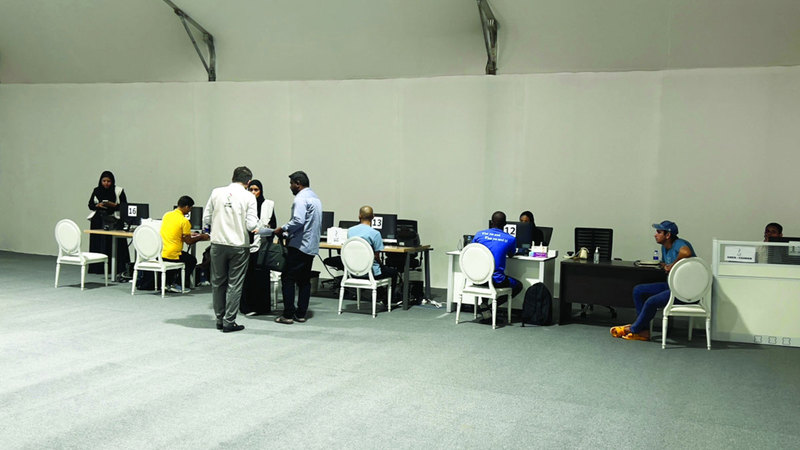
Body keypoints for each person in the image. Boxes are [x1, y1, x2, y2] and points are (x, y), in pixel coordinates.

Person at [611, 220, 695, 341]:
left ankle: (634, 329)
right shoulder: (664, 248)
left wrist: (672, 265)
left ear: (668, 235)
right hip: (672, 286)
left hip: (685, 291)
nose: (655, 235)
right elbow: (666, 263)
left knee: (651, 301)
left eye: (659, 232)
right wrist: (664, 265)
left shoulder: (678, 243)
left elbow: (686, 252)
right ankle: (644, 331)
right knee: (639, 290)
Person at [203, 166, 259, 333]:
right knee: (235, 284)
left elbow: (206, 218)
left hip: (218, 243)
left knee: (217, 283)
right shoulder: (249, 197)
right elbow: (251, 225)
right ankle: (229, 321)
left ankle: (219, 319)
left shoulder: (216, 192)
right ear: (248, 182)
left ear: (233, 177)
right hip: (238, 245)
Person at [266, 171, 322, 325]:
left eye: (291, 184)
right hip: (311, 246)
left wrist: (282, 229)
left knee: (288, 278)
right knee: (304, 280)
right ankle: (301, 314)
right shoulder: (316, 198)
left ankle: (288, 314)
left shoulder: (300, 199)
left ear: (298, 183)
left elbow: (298, 220)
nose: (290, 187)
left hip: (299, 246)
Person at [472, 211, 524, 320]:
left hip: (478, 278)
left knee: (486, 273)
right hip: (497, 281)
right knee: (518, 286)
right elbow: (511, 254)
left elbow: (472, 251)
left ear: (491, 222)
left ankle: (484, 305)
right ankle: (490, 308)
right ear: (505, 224)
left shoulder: (479, 235)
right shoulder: (510, 239)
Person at [346, 205, 399, 304]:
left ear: (359, 216)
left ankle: (380, 293)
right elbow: (376, 256)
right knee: (393, 272)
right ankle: (387, 300)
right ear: (373, 217)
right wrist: (382, 265)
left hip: (354, 272)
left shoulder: (350, 231)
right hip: (371, 273)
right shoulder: (375, 233)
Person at [241, 180, 277, 316]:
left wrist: (263, 230)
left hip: (262, 245)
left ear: (261, 191)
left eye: (256, 190)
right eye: (251, 189)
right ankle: (247, 307)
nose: (253, 192)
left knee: (261, 277)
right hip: (246, 245)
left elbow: (273, 226)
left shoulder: (268, 205)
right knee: (248, 277)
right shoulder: (244, 204)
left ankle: (262, 307)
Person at [160, 195, 209, 293]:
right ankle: (177, 284)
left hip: (162, 252)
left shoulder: (167, 215)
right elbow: (189, 241)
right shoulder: (184, 221)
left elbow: (174, 231)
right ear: (186, 207)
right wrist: (201, 236)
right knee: (192, 260)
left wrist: (189, 234)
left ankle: (168, 283)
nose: (190, 211)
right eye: (190, 208)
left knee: (185, 257)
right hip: (173, 254)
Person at [87, 170, 130, 276]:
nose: (106, 183)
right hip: (99, 220)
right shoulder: (96, 190)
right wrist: (97, 206)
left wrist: (114, 205)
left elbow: (125, 206)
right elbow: (90, 205)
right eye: (104, 181)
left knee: (115, 244)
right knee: (99, 243)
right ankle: (98, 267)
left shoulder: (118, 191)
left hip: (114, 220)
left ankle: (117, 268)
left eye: (108, 181)